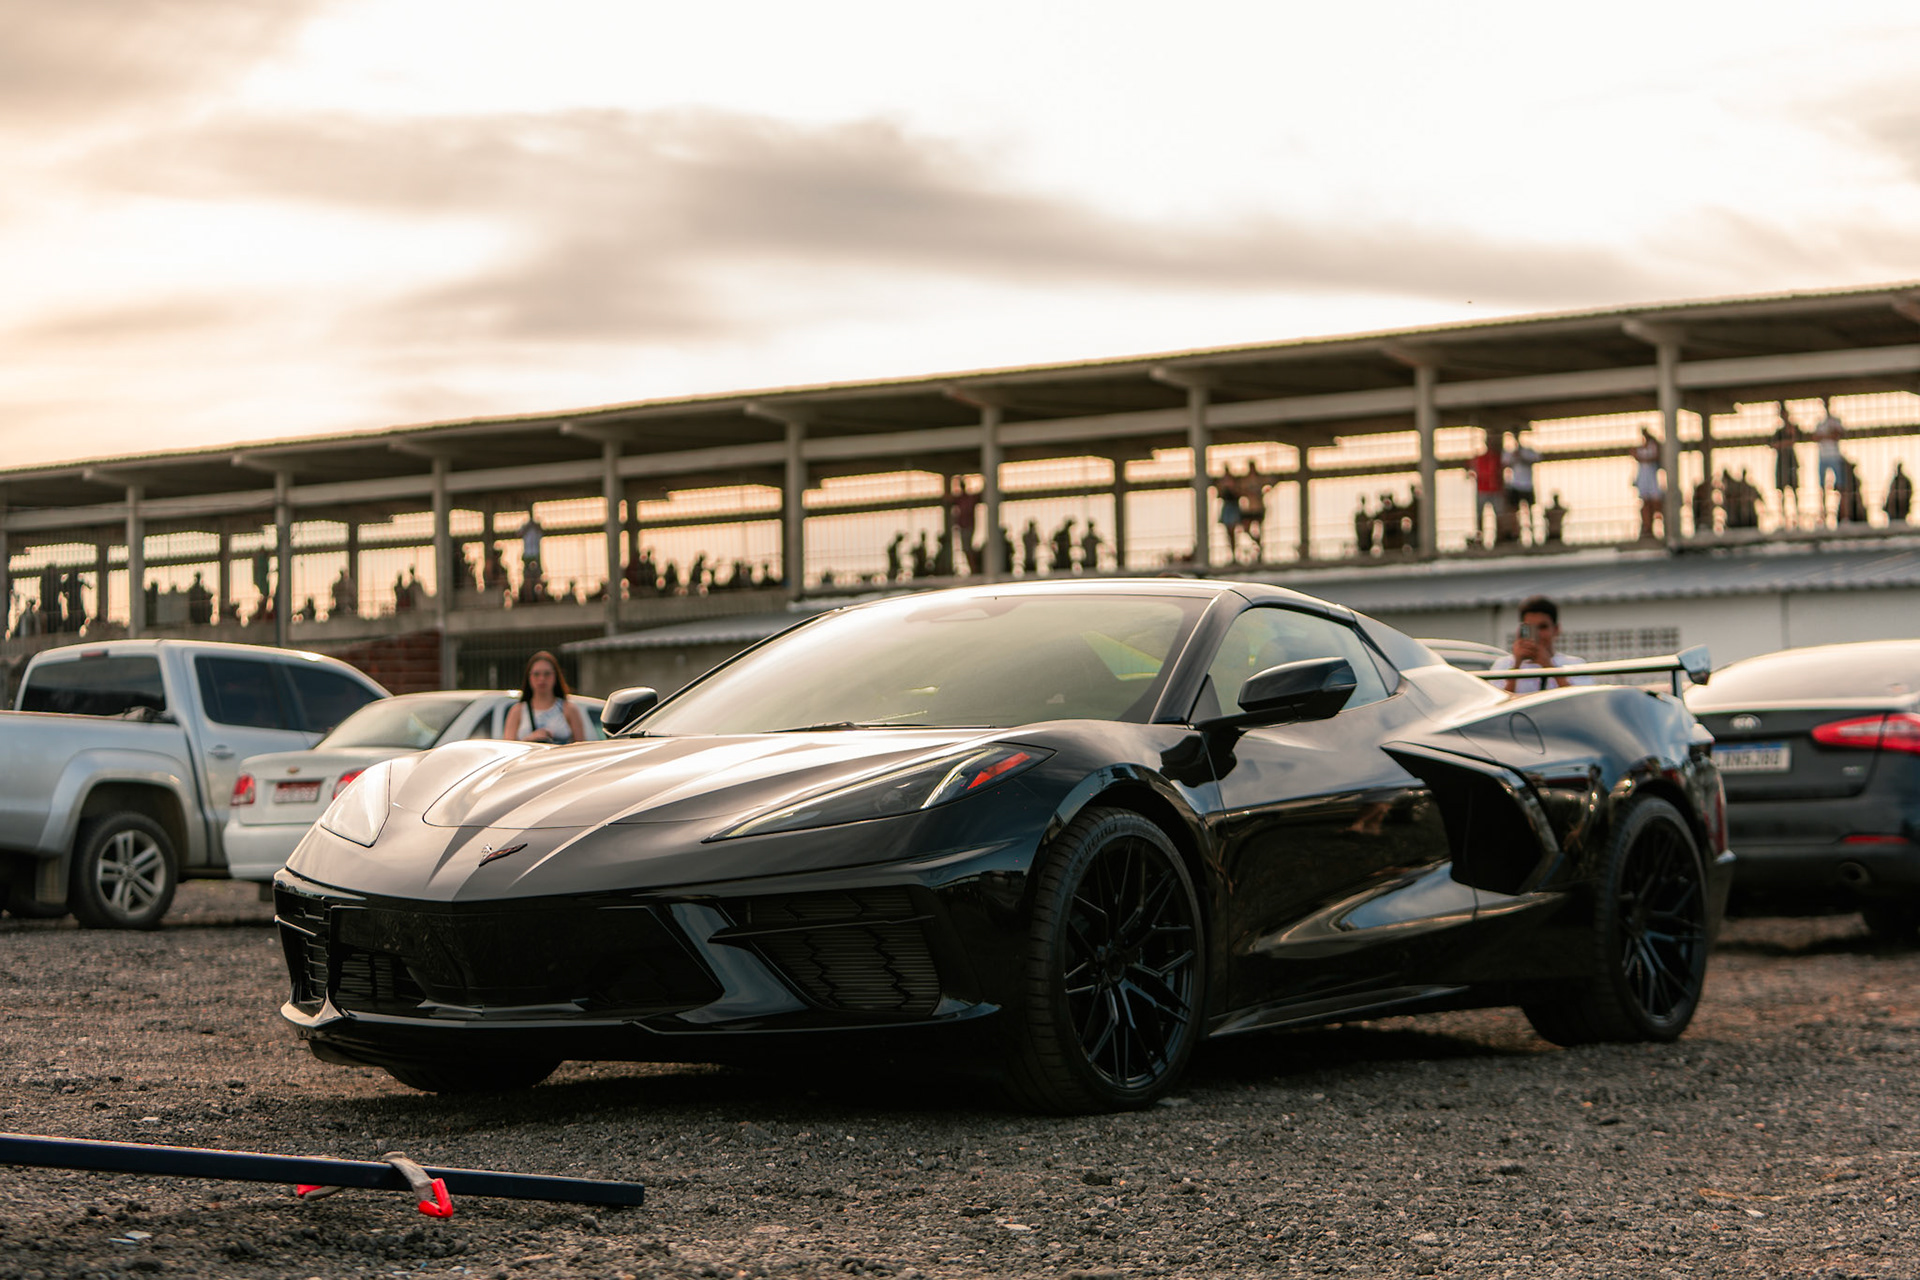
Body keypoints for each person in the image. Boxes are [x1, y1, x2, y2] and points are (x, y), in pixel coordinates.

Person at [1489, 595, 1594, 695]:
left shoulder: (1575, 665)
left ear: (1556, 629)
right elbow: (1498, 703)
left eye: (1543, 627)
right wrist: (1516, 666)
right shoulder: (1503, 665)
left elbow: (1580, 702)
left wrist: (1549, 667)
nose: (1537, 634)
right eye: (1531, 628)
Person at [503, 650, 589, 745]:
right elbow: (509, 747)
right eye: (536, 674)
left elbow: (581, 747)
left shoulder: (569, 709)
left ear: (555, 676)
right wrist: (529, 740)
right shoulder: (517, 711)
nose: (542, 679)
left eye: (547, 674)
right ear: (529, 677)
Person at [1502, 431, 1541, 543]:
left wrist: (1522, 458)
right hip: (1515, 485)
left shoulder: (1528, 451)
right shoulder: (1510, 452)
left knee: (1530, 510)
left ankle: (1533, 534)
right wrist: (1514, 457)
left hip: (1527, 485)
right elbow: (1505, 463)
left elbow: (1537, 459)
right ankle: (1516, 534)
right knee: (1514, 511)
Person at [1469, 435, 1506, 548]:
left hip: (1496, 490)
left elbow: (1501, 473)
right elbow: (1473, 471)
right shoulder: (1479, 458)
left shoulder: (1497, 458)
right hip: (1483, 490)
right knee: (1480, 515)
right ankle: (1480, 537)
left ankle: (1499, 537)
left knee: (1499, 515)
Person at [1814, 400, 1846, 526]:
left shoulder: (1835, 421)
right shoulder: (1820, 423)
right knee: (1822, 487)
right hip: (1823, 457)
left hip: (1834, 457)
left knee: (1841, 486)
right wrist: (1828, 435)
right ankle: (1823, 516)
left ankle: (1843, 515)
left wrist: (1826, 436)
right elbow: (1816, 437)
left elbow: (1838, 435)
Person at [1771, 404, 1801, 529]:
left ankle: (1797, 517)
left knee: (1794, 490)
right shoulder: (1778, 432)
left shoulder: (1792, 428)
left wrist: (1783, 443)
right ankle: (1783, 518)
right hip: (1781, 464)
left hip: (1791, 462)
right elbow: (1773, 445)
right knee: (1781, 492)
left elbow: (1794, 439)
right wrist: (1785, 443)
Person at [1631, 428, 1663, 540]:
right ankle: (1647, 527)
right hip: (1643, 477)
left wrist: (1643, 458)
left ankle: (1652, 525)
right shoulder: (1639, 448)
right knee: (1646, 503)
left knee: (1656, 502)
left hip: (1652, 477)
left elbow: (1655, 456)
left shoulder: (1654, 445)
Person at [946, 478, 980, 575]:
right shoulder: (962, 498)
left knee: (967, 549)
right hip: (965, 526)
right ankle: (973, 569)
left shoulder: (967, 498)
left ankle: (973, 569)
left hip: (967, 526)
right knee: (966, 549)